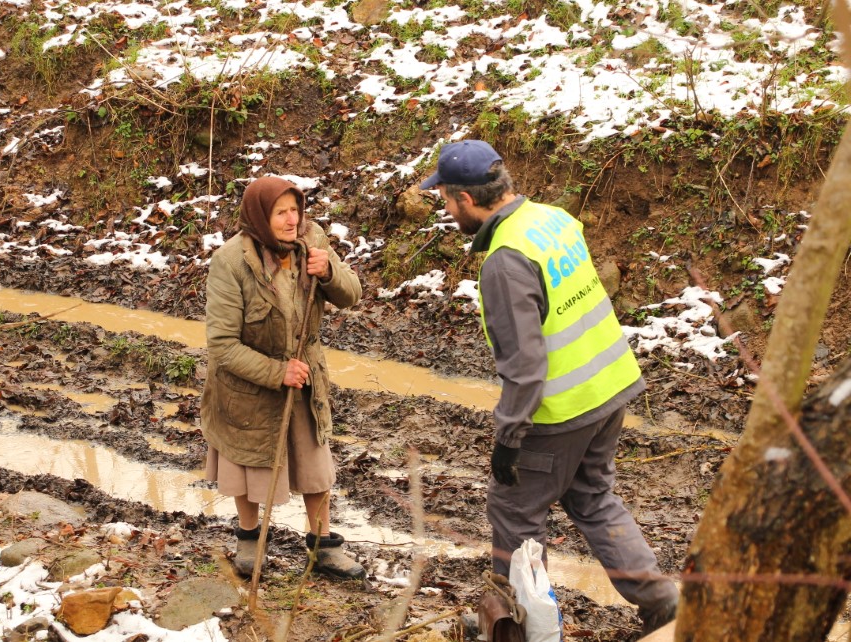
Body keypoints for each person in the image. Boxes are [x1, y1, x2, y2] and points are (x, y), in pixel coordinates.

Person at [419, 140, 679, 635]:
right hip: (609, 387)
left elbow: (525, 364)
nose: (447, 210)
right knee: (593, 497)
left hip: (559, 410)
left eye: (447, 200)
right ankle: (663, 602)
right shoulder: (552, 219)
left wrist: (509, 436)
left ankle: (521, 629)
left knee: (514, 513)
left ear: (467, 199)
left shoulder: (505, 262)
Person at [201, 175, 366, 580]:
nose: (293, 220)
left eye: (296, 210)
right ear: (261, 217)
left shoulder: (313, 240)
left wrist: (330, 273)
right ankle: (248, 539)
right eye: (281, 213)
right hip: (246, 387)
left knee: (315, 465)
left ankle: (322, 547)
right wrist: (277, 371)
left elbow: (352, 294)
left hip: (305, 378)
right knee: (248, 462)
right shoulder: (230, 262)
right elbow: (222, 345)